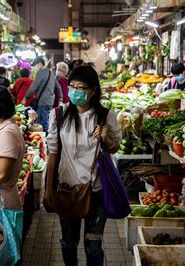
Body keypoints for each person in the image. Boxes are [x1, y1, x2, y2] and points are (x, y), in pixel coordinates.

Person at [46, 65, 122, 266]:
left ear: (93, 90)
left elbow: (114, 148)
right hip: (66, 189)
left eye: (81, 87)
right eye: (72, 86)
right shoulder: (59, 115)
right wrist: (48, 189)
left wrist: (105, 137)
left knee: (93, 246)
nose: (75, 91)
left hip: (96, 191)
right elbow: (53, 153)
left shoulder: (106, 116)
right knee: (68, 244)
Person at [21, 57, 63, 131]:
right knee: (47, 121)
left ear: (40, 64)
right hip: (50, 102)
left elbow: (34, 86)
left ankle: (45, 140)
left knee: (42, 124)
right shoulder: (51, 72)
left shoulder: (40, 73)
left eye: (36, 65)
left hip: (42, 102)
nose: (35, 68)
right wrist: (60, 99)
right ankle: (47, 138)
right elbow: (58, 87)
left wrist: (25, 98)